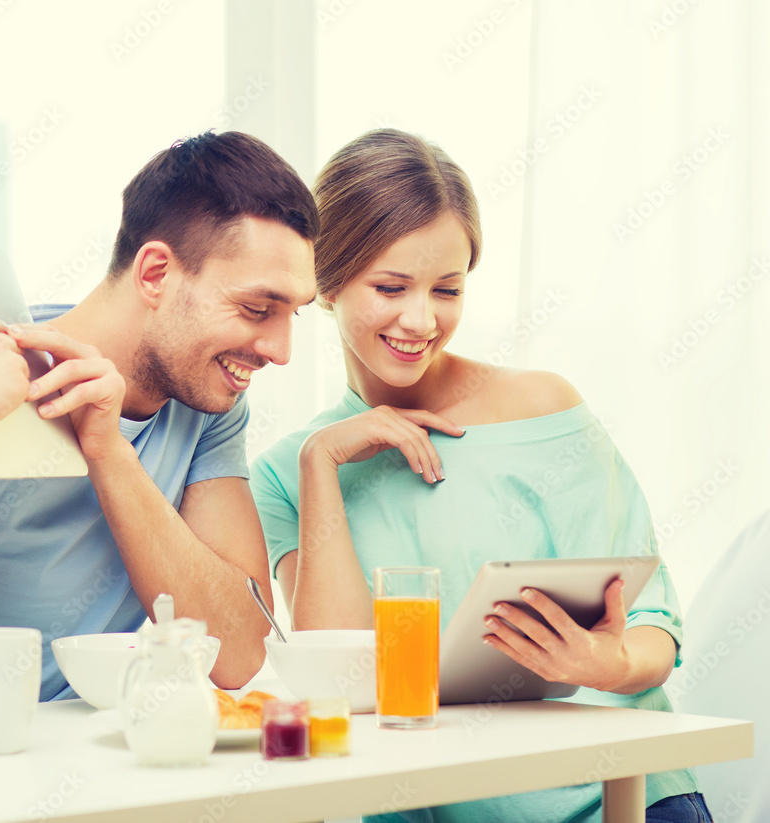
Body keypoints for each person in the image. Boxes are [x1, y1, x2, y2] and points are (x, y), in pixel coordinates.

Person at [250, 129, 711, 822]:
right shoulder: (288, 471)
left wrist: (601, 661)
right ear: (325, 277)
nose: (421, 319)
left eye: (447, 289)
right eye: (391, 286)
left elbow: (653, 627)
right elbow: (344, 681)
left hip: (623, 797)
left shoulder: (542, 407)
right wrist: (323, 461)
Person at [0, 131, 319, 725]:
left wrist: (108, 451)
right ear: (155, 273)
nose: (281, 351)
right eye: (258, 310)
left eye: (293, 314)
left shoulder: (208, 402)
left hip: (89, 765)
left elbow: (236, 654)